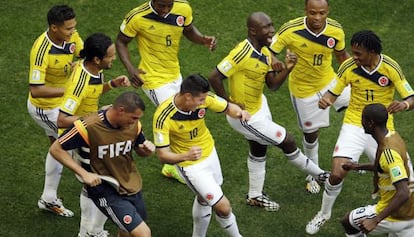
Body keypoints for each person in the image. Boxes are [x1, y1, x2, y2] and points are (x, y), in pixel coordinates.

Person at [208, 12, 329, 212]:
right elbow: (214, 77)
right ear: (253, 31)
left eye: (271, 25)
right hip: (245, 117)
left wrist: (288, 68)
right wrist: (230, 105)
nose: (272, 30)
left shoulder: (264, 52)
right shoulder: (242, 52)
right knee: (287, 140)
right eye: (266, 27)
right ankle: (322, 176)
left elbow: (272, 85)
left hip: (260, 106)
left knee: (258, 148)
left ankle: (255, 196)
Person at [306, 30, 414, 235]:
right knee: (337, 173)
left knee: (403, 178)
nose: (353, 57)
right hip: (355, 124)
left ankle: (398, 220)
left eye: (358, 54)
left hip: (382, 128)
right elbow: (333, 91)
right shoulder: (348, 67)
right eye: (353, 52)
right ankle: (323, 214)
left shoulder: (390, 68)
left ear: (372, 52)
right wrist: (326, 100)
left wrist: (404, 105)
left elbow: (411, 96)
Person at [116, 0, 217, 184]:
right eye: (161, 5)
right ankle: (178, 165)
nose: (164, 10)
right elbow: (121, 41)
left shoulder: (183, 8)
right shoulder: (137, 16)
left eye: (168, 6)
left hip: (174, 73)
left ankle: (171, 166)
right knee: (175, 115)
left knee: (186, 112)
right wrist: (131, 70)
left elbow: (188, 30)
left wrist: (202, 39)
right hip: (153, 78)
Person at [269, 0, 350, 194]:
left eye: (322, 13)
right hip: (304, 90)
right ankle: (313, 174)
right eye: (313, 13)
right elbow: (268, 50)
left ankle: (354, 156)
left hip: (330, 81)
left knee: (363, 113)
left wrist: (354, 76)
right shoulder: (291, 29)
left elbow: (341, 56)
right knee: (311, 134)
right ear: (305, 11)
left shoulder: (336, 30)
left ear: (328, 11)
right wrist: (276, 61)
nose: (317, 17)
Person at [50, 91, 155, 237]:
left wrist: (147, 150)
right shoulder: (88, 126)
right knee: (143, 233)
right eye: (133, 118)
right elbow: (56, 148)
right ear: (121, 111)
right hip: (105, 188)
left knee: (127, 230)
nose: (134, 122)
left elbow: (140, 150)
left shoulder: (134, 125)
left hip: (131, 184)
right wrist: (83, 173)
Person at [153, 74, 246, 236]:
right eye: (200, 100)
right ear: (188, 96)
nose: (203, 103)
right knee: (223, 207)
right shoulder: (163, 116)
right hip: (190, 165)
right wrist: (186, 156)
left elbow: (228, 107)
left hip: (210, 153)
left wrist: (240, 113)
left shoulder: (204, 98)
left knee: (204, 199)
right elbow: (162, 155)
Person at [58, 33, 130, 237]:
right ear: (97, 59)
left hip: (92, 133)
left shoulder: (95, 70)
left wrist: (112, 85)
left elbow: (94, 93)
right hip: (80, 138)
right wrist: (97, 116)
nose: (114, 59)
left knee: (97, 185)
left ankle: (92, 231)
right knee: (104, 185)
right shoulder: (79, 82)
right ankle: (89, 232)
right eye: (110, 56)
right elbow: (62, 120)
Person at [27, 4, 83, 217]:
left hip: (61, 103)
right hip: (45, 108)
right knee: (75, 136)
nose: (72, 32)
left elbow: (82, 52)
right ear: (54, 27)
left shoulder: (71, 36)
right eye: (68, 29)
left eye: (73, 27)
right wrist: (67, 89)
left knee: (58, 146)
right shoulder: (41, 50)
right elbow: (36, 90)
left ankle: (48, 198)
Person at [341, 103, 414, 237]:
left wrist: (375, 220)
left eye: (362, 118)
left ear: (370, 123)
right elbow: (383, 166)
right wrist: (356, 166)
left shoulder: (389, 153)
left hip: (396, 215)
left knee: (347, 221)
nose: (361, 122)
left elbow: (403, 192)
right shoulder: (393, 136)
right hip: (410, 212)